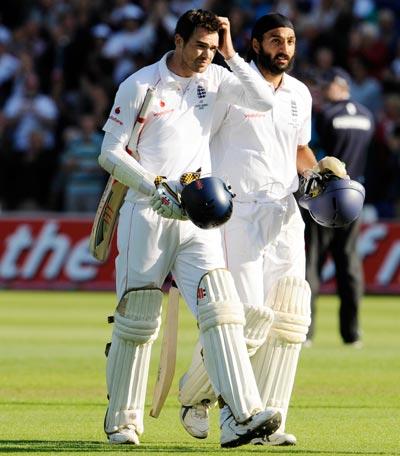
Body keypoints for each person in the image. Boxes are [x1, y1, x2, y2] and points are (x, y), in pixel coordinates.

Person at [98, 8, 282, 448]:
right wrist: (151, 185)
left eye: (212, 48)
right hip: (146, 210)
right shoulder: (141, 84)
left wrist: (233, 53)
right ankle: (122, 421)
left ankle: (242, 415)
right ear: (178, 41)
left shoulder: (217, 78)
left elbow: (264, 100)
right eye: (200, 46)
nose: (206, 55)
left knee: (222, 309)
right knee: (138, 318)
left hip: (198, 217)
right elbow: (109, 152)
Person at [177, 13, 346, 447]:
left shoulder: (299, 93)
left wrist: (320, 172)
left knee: (288, 319)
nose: (284, 48)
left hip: (286, 212)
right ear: (255, 45)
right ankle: (195, 396)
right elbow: (195, 139)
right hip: (237, 212)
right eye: (275, 40)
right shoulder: (229, 84)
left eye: (289, 40)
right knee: (246, 318)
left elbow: (299, 149)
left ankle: (266, 424)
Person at [304, 67, 374, 346]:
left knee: (312, 265)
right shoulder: (368, 117)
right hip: (353, 198)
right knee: (350, 266)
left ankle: (307, 333)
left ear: (339, 86)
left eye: (325, 85)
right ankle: (352, 333)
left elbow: (313, 155)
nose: (321, 91)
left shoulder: (326, 115)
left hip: (324, 197)